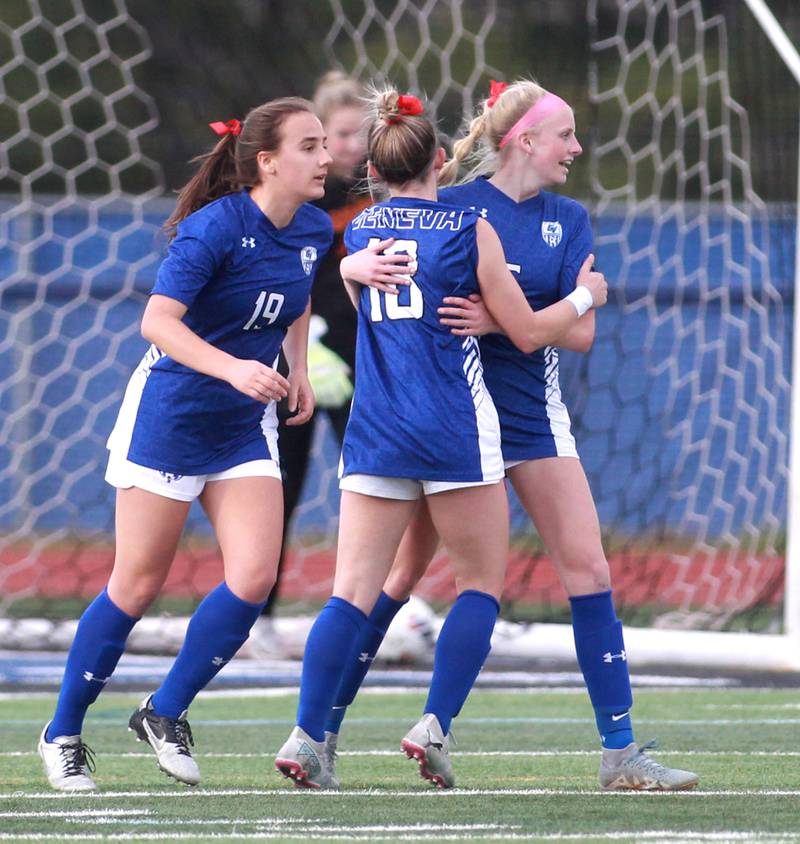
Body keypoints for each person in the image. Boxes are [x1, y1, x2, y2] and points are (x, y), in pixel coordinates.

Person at [322, 79, 700, 792]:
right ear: (525, 139)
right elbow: (373, 263)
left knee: (588, 570)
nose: (577, 148)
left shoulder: (569, 218)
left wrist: (505, 322)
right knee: (397, 580)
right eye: (566, 135)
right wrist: (347, 263)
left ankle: (619, 753)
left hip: (529, 416)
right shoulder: (452, 206)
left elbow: (579, 335)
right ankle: (326, 733)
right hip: (454, 422)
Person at [273, 85, 607, 790]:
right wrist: (585, 297)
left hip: (378, 431)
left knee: (350, 595)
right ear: (437, 168)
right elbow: (523, 329)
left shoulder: (360, 232)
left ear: (375, 168)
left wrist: (343, 266)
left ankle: (308, 737)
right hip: (455, 428)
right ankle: (433, 724)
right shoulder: (467, 229)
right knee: (479, 586)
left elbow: (349, 282)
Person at [37, 97, 334, 791]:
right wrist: (233, 366)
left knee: (255, 577)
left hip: (241, 427)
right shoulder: (214, 230)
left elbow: (297, 301)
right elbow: (158, 323)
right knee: (137, 584)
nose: (327, 158)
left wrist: (298, 366)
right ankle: (63, 731)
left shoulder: (315, 226)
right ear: (268, 161)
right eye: (311, 145)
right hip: (170, 417)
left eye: (326, 144)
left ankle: (164, 709)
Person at [248, 72, 374, 656]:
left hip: (364, 366)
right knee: (281, 486)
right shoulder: (303, 208)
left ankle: (374, 610)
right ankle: (260, 616)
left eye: (360, 134)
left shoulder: (385, 197)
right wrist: (305, 349)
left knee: (378, 485)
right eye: (335, 136)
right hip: (296, 362)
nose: (347, 147)